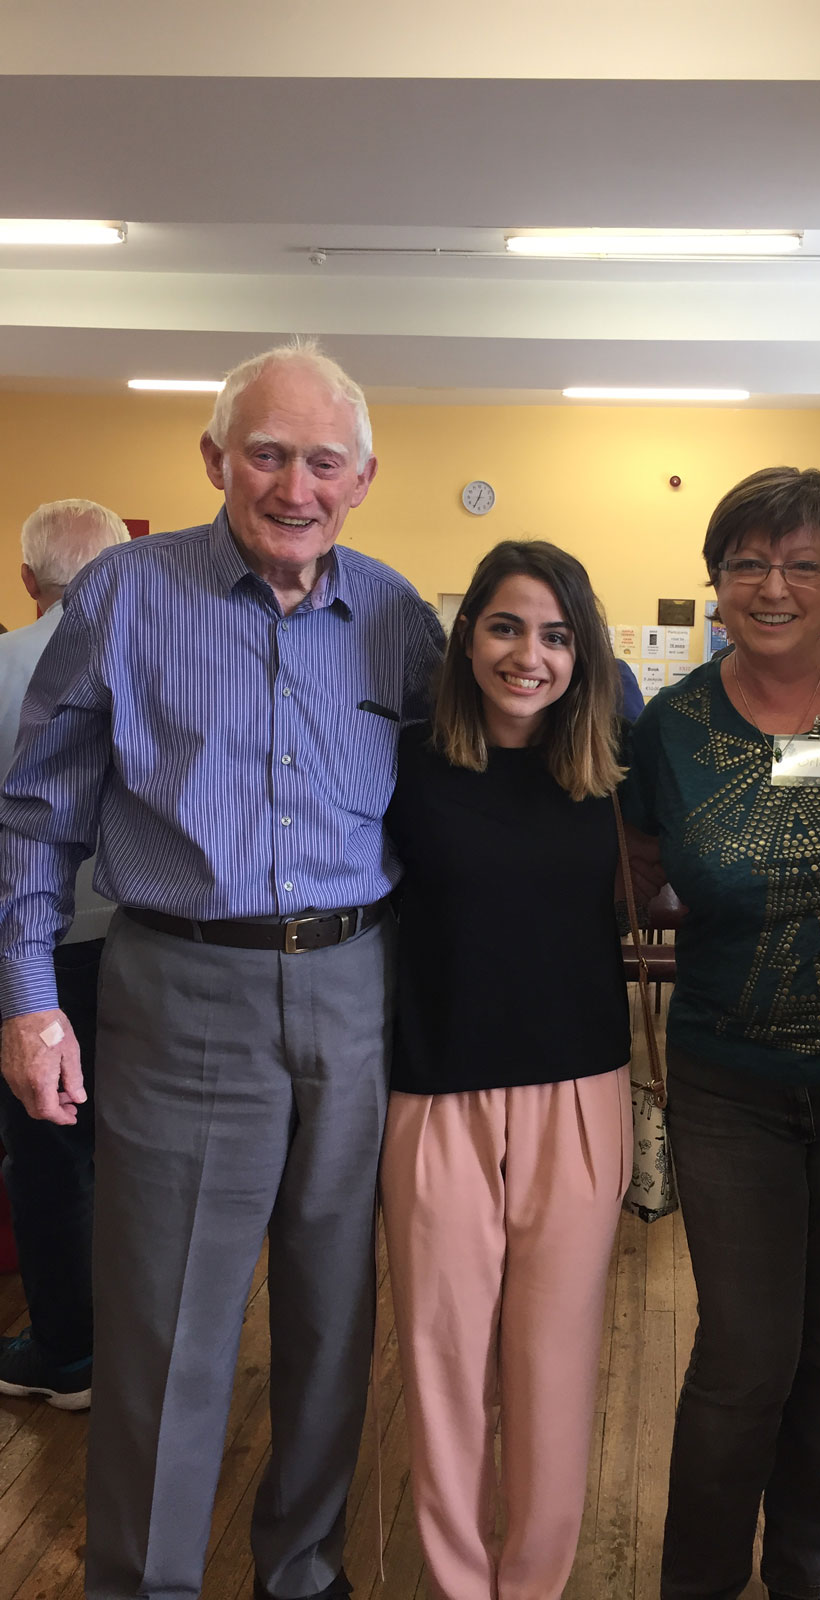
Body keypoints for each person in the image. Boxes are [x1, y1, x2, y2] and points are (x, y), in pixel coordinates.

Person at [0, 343, 444, 1600]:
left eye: (321, 460)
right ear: (214, 461)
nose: (293, 485)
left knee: (331, 1310)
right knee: (168, 1324)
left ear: (361, 478)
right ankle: (142, 1583)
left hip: (358, 988)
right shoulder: (126, 597)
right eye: (265, 453)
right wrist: (29, 1000)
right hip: (185, 986)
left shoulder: (398, 617)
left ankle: (299, 1571)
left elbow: (446, 809)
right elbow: (34, 818)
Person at [620, 466, 820, 1600]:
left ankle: (802, 1572)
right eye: (748, 563)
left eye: (803, 563)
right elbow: (638, 866)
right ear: (714, 582)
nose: (773, 586)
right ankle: (698, 1583)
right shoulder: (668, 727)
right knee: (746, 1354)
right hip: (732, 1086)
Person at [380, 539, 632, 1600]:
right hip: (435, 1093)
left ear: (584, 655)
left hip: (580, 1096)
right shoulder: (398, 761)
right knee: (440, 1366)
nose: (530, 654)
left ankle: (531, 1584)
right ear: (467, 632)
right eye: (507, 626)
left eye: (557, 636)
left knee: (551, 1369)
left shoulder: (614, 765)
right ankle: (454, 1583)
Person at [0, 498, 128, 1410]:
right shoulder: (160, 662)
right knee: (146, 1150)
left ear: (26, 580)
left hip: (29, 954)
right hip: (148, 949)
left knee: (47, 1148)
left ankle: (69, 1351)